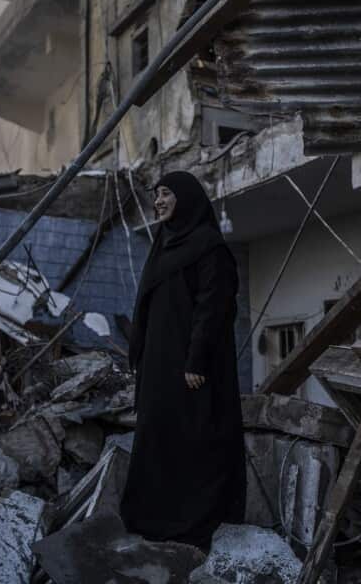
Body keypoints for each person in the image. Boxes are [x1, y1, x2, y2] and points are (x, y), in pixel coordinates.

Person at [119, 170, 246, 549]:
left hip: (190, 370)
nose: (157, 201)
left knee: (193, 440)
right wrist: (139, 351)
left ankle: (194, 522)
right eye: (156, 194)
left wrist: (196, 361)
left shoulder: (209, 247)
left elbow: (213, 308)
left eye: (165, 194)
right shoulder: (164, 242)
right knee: (157, 437)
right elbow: (150, 302)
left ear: (186, 199)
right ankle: (151, 518)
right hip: (159, 365)